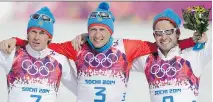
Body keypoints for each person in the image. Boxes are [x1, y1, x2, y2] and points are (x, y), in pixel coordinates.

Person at [0, 2, 198, 102]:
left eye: (102, 29)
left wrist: (190, 41)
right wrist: (17, 41)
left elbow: (164, 43)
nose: (97, 35)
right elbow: (43, 45)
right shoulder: (77, 47)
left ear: (110, 30)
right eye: (93, 29)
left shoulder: (126, 47)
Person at [131, 8, 211, 102]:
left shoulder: (194, 55)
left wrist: (203, 36)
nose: (164, 37)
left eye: (169, 31)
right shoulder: (147, 60)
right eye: (159, 33)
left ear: (177, 33)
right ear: (154, 36)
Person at [0, 6, 77, 102]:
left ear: (49, 37)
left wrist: (86, 37)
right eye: (33, 32)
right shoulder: (12, 54)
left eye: (42, 33)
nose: (36, 37)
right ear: (28, 34)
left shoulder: (60, 60)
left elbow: (81, 90)